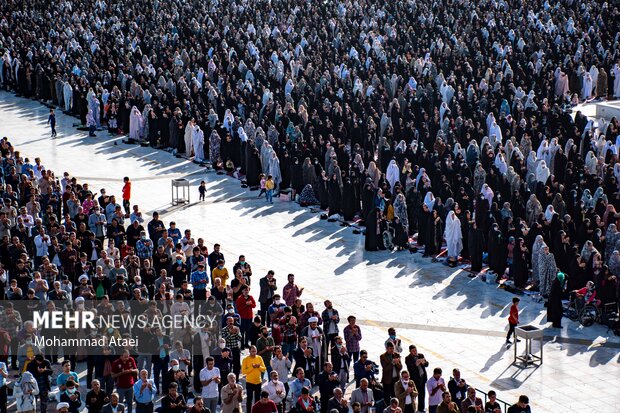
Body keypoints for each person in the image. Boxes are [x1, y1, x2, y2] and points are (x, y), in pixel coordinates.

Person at [243, 345, 267, 412]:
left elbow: (264, 369)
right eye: (253, 351)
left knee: (257, 399)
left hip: (258, 382)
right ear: (249, 351)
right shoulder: (245, 359)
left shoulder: (259, 358)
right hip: (249, 382)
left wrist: (259, 367)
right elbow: (243, 372)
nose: (254, 352)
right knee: (249, 399)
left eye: (255, 351)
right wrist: (252, 367)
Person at [405, 345, 428, 413]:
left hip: (422, 379)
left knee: (422, 395)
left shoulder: (420, 355)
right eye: (413, 351)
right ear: (410, 351)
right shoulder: (408, 358)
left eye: (415, 350)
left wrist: (424, 363)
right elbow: (410, 368)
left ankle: (421, 409)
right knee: (414, 395)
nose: (415, 352)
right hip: (415, 380)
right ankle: (413, 409)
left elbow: (427, 364)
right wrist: (415, 364)